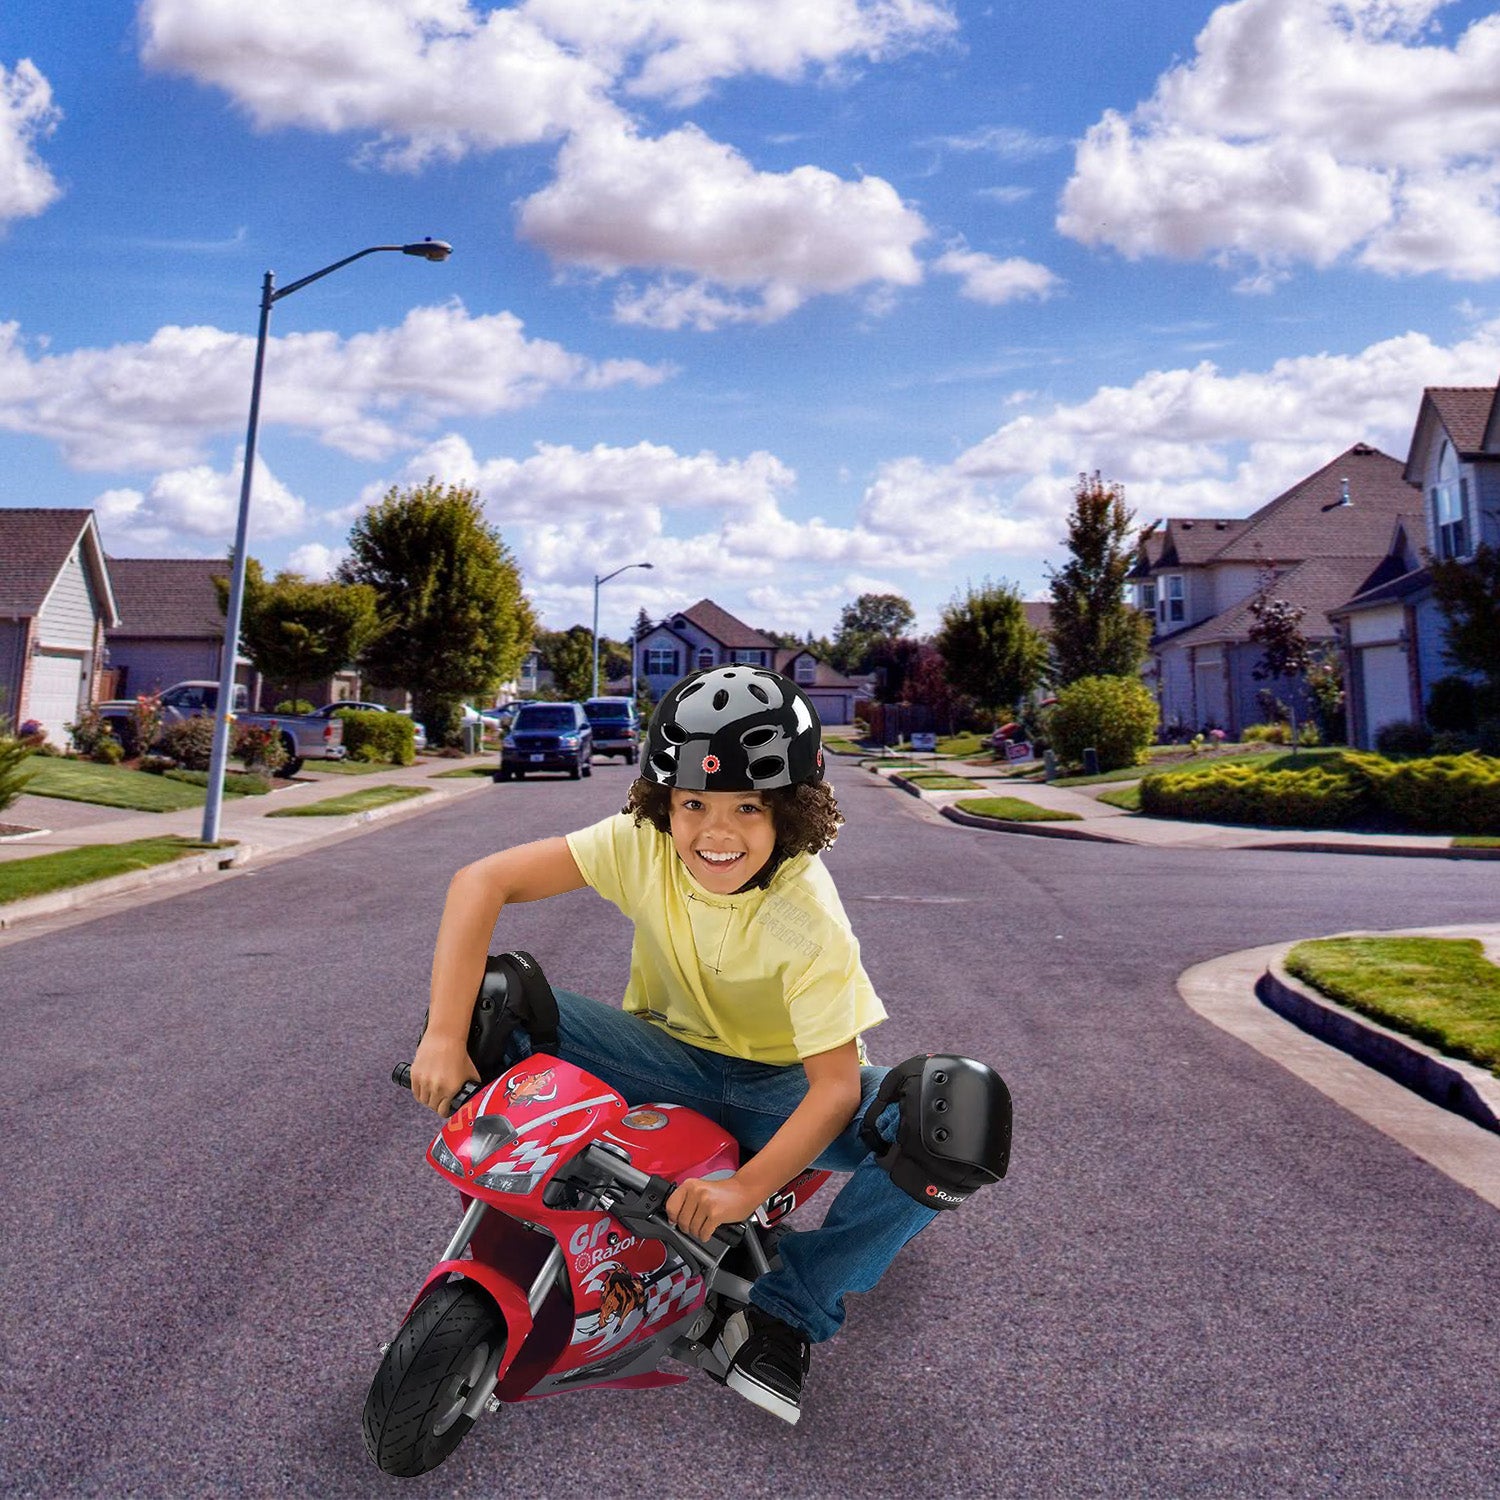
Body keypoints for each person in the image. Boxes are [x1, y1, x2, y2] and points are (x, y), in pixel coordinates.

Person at [410, 665, 938, 1423]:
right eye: (693, 803)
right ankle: (534, 1211)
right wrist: (441, 1036)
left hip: (779, 1091)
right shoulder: (643, 843)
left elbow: (834, 1092)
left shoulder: (806, 915)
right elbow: (479, 882)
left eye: (748, 809)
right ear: (663, 802)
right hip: (660, 1061)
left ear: (791, 813)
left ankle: (785, 1307)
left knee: (950, 1118)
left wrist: (743, 1192)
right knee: (490, 1000)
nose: (715, 833)